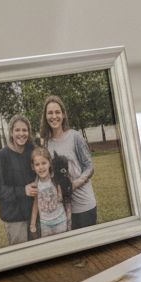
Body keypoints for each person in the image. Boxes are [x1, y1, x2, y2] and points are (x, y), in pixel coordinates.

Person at [40, 95, 98, 229]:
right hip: (63, 210)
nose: (54, 116)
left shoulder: (75, 136)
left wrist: (76, 183)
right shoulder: (47, 144)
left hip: (84, 205)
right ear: (45, 116)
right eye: (50, 113)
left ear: (63, 115)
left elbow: (89, 166)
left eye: (57, 112)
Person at [0, 115, 37, 246]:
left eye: (24, 130)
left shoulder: (33, 151)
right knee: (23, 260)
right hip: (15, 220)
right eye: (17, 130)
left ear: (29, 132)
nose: (21, 134)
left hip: (36, 216)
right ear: (11, 132)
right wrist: (22, 191)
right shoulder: (2, 156)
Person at [29, 146, 70, 238]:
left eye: (44, 163)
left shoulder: (56, 181)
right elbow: (36, 204)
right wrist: (32, 224)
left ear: (50, 163)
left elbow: (67, 200)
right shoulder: (35, 185)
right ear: (33, 167)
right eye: (37, 164)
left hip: (61, 223)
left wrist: (68, 220)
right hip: (45, 225)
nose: (41, 167)